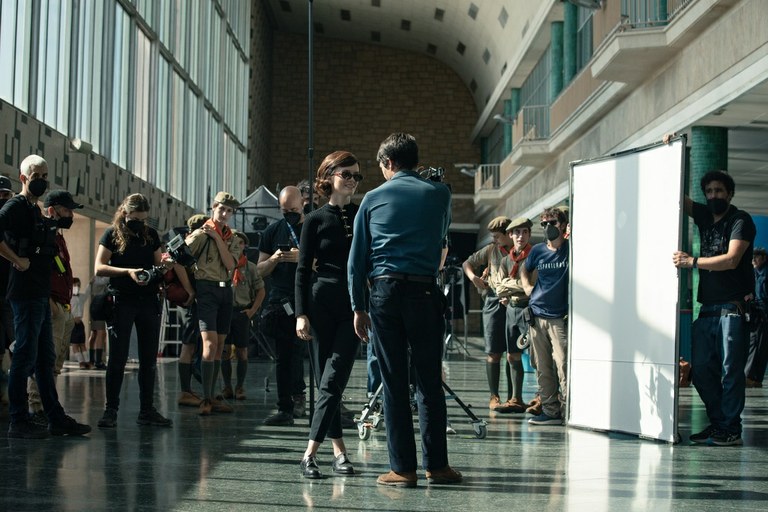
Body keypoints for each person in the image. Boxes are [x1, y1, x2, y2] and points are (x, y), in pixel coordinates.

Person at [348, 132, 461, 487]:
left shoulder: (372, 199)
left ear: (389, 163)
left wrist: (358, 307)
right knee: (429, 380)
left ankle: (402, 469)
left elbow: (357, 260)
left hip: (385, 292)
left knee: (393, 381)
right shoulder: (440, 194)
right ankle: (437, 466)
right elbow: (441, 236)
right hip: (425, 291)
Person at [0, 155, 90, 438]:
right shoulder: (15, 206)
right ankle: (18, 420)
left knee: (44, 359)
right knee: (25, 356)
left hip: (39, 293)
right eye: (35, 175)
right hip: (25, 293)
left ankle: (54, 416)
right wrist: (16, 259)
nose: (40, 180)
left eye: (44, 175)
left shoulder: (33, 209)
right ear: (23, 178)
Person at [672, 170, 755, 446]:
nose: (713, 195)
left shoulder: (740, 220)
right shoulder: (705, 216)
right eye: (709, 191)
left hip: (732, 309)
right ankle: (720, 423)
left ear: (729, 194)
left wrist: (692, 262)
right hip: (707, 308)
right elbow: (678, 198)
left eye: (719, 191)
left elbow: (732, 259)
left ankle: (731, 428)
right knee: (701, 371)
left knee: (731, 371)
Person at [295, 151, 363, 479]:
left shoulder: (363, 214)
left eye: (356, 176)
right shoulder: (314, 219)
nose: (352, 180)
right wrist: (300, 314)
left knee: (334, 378)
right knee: (327, 382)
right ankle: (340, 453)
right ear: (329, 176)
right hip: (320, 304)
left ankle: (309, 454)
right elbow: (302, 271)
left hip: (353, 306)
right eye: (346, 174)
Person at [95, 193, 173, 428]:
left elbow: (158, 266)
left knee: (149, 359)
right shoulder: (112, 234)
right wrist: (128, 271)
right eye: (135, 218)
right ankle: (111, 410)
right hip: (122, 299)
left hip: (148, 299)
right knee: (117, 357)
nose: (139, 223)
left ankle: (147, 409)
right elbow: (99, 267)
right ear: (125, 213)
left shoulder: (150, 235)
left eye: (143, 219)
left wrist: (165, 267)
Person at [185, 192, 239, 416]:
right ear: (214, 207)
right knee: (209, 345)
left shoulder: (232, 238)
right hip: (206, 289)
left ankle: (214, 396)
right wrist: (189, 289)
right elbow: (180, 257)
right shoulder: (200, 234)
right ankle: (205, 399)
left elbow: (230, 265)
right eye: (221, 209)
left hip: (225, 291)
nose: (225, 214)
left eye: (229, 211)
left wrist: (217, 238)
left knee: (220, 346)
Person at [257, 186, 307, 426]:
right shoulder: (272, 231)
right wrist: (275, 258)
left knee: (309, 352)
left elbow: (327, 262)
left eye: (294, 210)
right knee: (284, 355)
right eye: (285, 211)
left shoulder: (313, 227)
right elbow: (259, 269)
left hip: (309, 296)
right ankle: (285, 406)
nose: (290, 215)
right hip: (282, 299)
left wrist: (301, 257)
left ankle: (323, 403)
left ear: (303, 204)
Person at [463, 215, 523, 413]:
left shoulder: (519, 251)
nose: (494, 240)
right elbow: (467, 263)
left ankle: (514, 397)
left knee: (513, 351)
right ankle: (494, 396)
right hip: (493, 302)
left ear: (508, 234)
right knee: (493, 351)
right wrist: (474, 278)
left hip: (514, 303)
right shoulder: (491, 250)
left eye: (497, 236)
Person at [521, 206, 570, 426]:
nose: (548, 227)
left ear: (563, 225)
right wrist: (526, 286)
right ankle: (550, 411)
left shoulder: (570, 249)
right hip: (537, 314)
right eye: (544, 224)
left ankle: (568, 410)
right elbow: (525, 268)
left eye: (553, 223)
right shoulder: (538, 250)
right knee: (542, 366)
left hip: (559, 317)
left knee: (563, 364)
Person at [219, 230, 265, 400]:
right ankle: (227, 386)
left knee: (242, 352)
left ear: (245, 246)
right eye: (233, 242)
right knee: (224, 351)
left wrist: (252, 311)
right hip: (225, 312)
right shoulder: (222, 264)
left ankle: (239, 386)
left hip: (241, 312)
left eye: (240, 243)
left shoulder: (250, 267)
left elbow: (261, 290)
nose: (236, 246)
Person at [496, 217, 535, 413]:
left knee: (536, 355)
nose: (521, 236)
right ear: (510, 235)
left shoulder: (534, 256)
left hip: (530, 308)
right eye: (517, 232)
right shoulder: (506, 260)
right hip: (511, 309)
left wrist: (510, 285)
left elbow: (532, 286)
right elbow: (498, 287)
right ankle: (516, 399)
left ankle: (540, 398)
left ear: (529, 234)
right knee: (512, 354)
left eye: (525, 232)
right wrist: (516, 286)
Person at [176, 214, 206, 407]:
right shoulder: (190, 244)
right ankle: (185, 391)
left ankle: (188, 390)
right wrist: (190, 290)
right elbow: (177, 263)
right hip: (191, 301)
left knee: (192, 344)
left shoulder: (193, 243)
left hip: (194, 301)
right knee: (188, 345)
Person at [745, 247, 767, 387]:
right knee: (759, 344)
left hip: (762, 313)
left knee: (757, 343)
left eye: (757, 257)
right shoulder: (755, 272)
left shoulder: (765, 273)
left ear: (764, 258)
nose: (753, 259)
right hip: (756, 311)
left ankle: (750, 377)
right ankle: (756, 379)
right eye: (752, 257)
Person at [85, 274, 110, 370]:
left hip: (94, 307)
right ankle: (98, 361)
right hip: (99, 307)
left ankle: (92, 359)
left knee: (94, 333)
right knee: (101, 333)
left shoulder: (93, 281)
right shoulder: (100, 280)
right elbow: (108, 279)